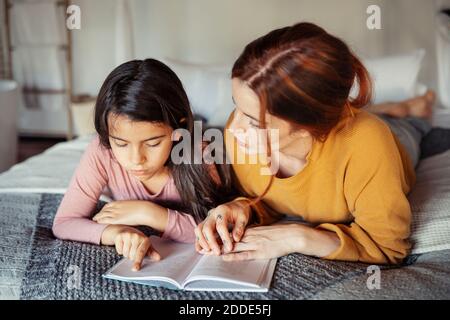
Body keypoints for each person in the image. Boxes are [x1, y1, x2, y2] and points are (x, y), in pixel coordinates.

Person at [195, 22, 450, 264]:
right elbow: (275, 197)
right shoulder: (239, 133)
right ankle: (390, 107)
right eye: (235, 106)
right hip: (339, 124)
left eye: (254, 121)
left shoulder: (369, 146)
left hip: (395, 138)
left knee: (411, 124)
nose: (233, 128)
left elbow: (389, 247)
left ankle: (413, 107)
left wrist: (300, 237)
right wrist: (242, 206)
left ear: (306, 128)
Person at [53, 59, 231, 271]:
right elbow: (64, 222)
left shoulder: (199, 154)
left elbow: (218, 228)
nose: (136, 159)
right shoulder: (102, 152)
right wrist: (115, 233)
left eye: (153, 143)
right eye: (121, 143)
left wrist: (147, 213)